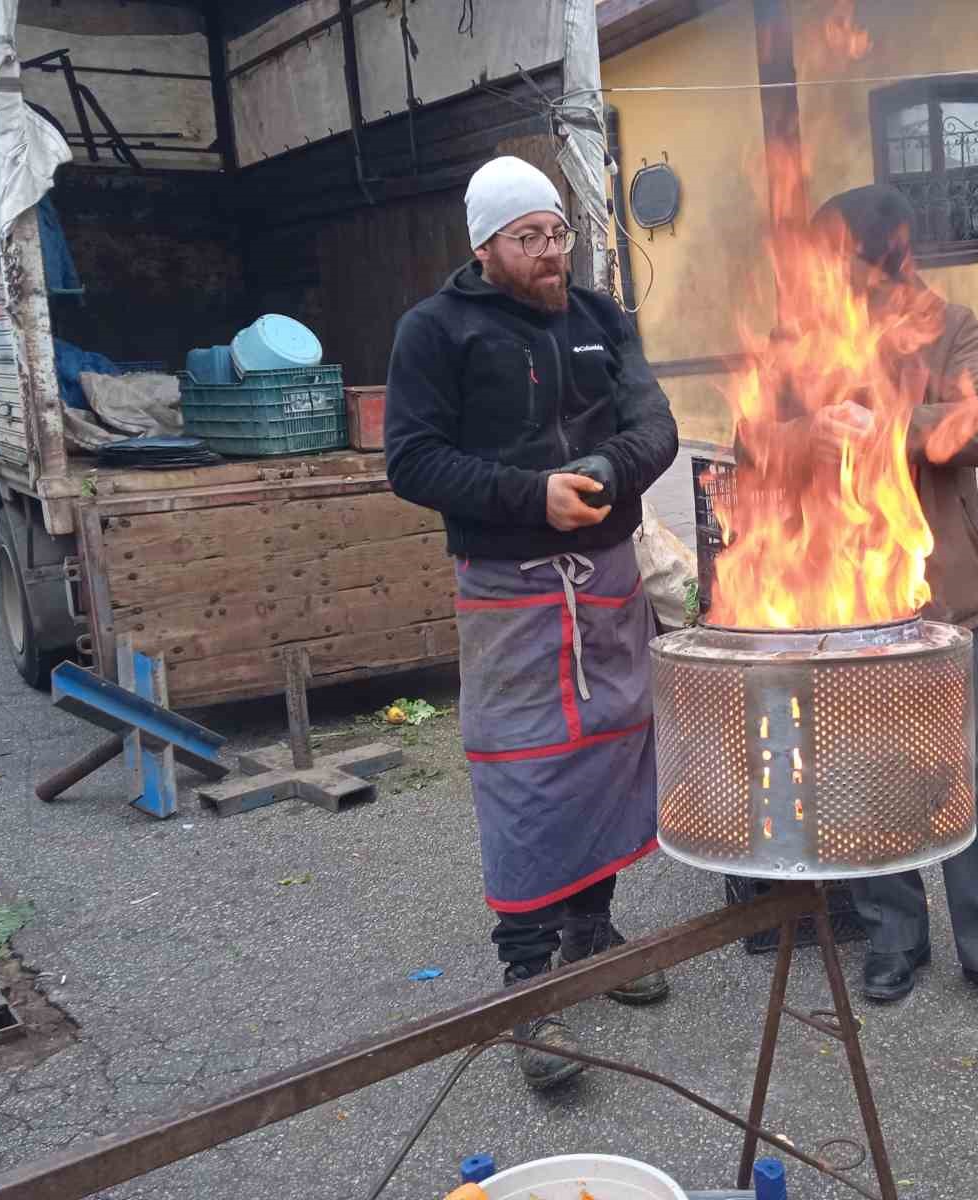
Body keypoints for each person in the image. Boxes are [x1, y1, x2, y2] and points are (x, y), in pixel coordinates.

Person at [384, 156, 680, 1089]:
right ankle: (528, 988)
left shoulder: (602, 321)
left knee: (611, 745)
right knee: (524, 768)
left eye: (558, 233)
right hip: (511, 586)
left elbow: (656, 427)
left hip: (606, 578)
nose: (552, 253)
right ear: (486, 245)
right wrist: (529, 496)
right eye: (531, 238)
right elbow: (413, 460)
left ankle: (592, 935)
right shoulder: (435, 331)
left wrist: (603, 472)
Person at [805, 185, 978, 1023]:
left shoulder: (949, 325)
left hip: (938, 600)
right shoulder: (806, 334)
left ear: (883, 256)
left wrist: (890, 424)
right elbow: (754, 437)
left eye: (839, 257)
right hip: (844, 601)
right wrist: (809, 434)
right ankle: (893, 936)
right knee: (869, 775)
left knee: (965, 778)